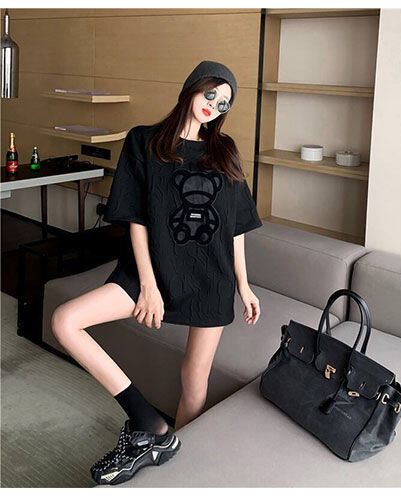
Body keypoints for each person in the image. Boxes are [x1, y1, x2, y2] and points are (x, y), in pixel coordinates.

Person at [50, 60, 263, 486]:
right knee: (65, 321)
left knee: (194, 380)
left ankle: (175, 472)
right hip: (149, 272)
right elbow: (137, 217)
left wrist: (244, 284)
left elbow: (235, 226)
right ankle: (147, 421)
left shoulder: (225, 150)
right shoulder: (143, 141)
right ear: (192, 87)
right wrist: (148, 285)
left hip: (210, 279)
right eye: (210, 94)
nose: (214, 105)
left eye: (223, 103)